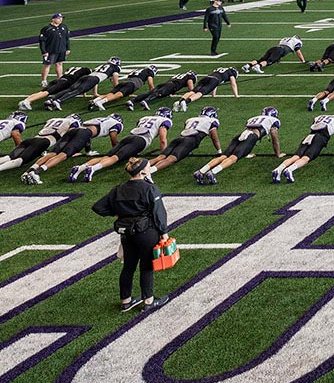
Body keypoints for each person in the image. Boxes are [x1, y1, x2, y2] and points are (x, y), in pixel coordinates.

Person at [92, 157, 170, 312]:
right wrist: (164, 232)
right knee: (146, 267)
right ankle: (149, 301)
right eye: (148, 167)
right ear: (142, 171)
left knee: (128, 267)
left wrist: (118, 214)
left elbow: (98, 207)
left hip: (126, 233)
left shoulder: (119, 188)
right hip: (146, 232)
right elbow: (158, 213)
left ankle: (126, 301)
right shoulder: (149, 188)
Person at [69, 110, 170, 183]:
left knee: (106, 157)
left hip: (129, 137)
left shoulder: (145, 118)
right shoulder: (165, 121)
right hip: (140, 141)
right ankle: (93, 168)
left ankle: (80, 167)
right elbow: (162, 139)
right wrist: (163, 153)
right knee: (115, 158)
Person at [193, 108, 282, 184]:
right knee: (233, 158)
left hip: (240, 136)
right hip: (251, 137)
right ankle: (213, 172)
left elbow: (246, 133)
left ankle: (200, 171)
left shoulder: (253, 118)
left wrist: (246, 152)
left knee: (223, 156)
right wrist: (278, 154)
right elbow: (274, 138)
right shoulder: (273, 120)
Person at [273, 112, 334, 183]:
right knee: (306, 158)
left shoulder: (319, 117)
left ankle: (278, 169)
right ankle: (289, 170)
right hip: (320, 138)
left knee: (295, 156)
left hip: (309, 136)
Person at [153, 107, 222, 172]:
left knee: (160, 157)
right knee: (171, 159)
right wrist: (219, 151)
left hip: (179, 138)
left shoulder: (190, 119)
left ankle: (145, 167)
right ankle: (149, 171)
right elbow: (214, 138)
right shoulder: (212, 121)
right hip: (189, 141)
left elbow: (187, 130)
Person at [89, 64, 159, 111]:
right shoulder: (149, 72)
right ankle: (101, 102)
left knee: (111, 93)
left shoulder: (138, 70)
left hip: (125, 82)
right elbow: (150, 83)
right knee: (119, 94)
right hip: (132, 84)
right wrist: (152, 92)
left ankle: (95, 100)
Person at [175, 65, 240, 110]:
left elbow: (215, 85)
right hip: (214, 80)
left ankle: (180, 101)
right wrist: (236, 95)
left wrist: (213, 95)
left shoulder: (221, 70)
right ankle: (186, 102)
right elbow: (233, 84)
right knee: (201, 93)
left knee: (193, 91)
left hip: (206, 78)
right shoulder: (231, 73)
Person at [38, 13, 70, 85]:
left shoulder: (64, 27)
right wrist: (44, 51)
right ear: (53, 19)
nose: (61, 19)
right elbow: (42, 41)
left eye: (61, 18)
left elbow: (67, 39)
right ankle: (44, 80)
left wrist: (68, 48)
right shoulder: (47, 29)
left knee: (59, 64)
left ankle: (60, 79)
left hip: (62, 49)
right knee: (47, 65)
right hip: (51, 50)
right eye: (59, 18)